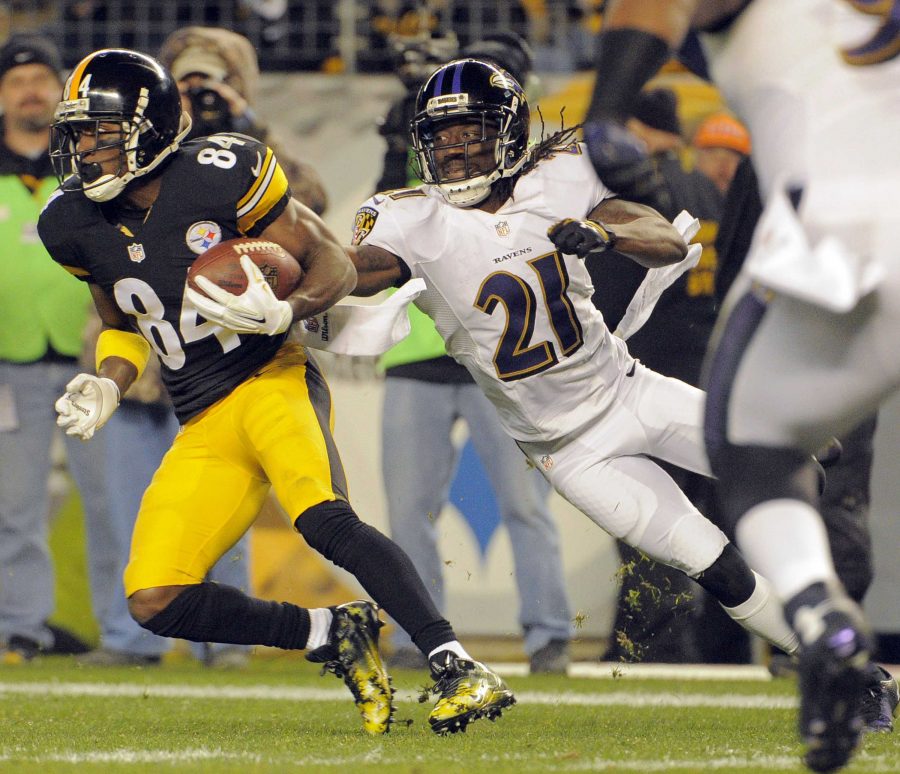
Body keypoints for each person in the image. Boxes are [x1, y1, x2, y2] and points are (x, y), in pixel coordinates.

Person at [40, 48, 514, 736]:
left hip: (269, 378)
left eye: (99, 132)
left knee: (325, 519)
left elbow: (329, 260)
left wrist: (288, 311)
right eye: (78, 133)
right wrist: (107, 381)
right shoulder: (73, 223)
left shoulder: (217, 174)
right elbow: (122, 323)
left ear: (149, 129)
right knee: (154, 597)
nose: (84, 150)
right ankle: (331, 633)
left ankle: (455, 662)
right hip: (200, 417)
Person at [348, 57, 812, 681]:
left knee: (796, 468)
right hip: (570, 451)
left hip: (631, 391)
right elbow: (355, 270)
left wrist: (604, 233)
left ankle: (837, 631)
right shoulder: (408, 217)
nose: (456, 154)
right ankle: (848, 673)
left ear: (508, 132)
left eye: (472, 135)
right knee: (718, 566)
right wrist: (293, 291)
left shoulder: (562, 172)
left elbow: (667, 239)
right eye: (442, 140)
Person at [583, 1, 900, 770]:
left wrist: (607, 112)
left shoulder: (766, 30)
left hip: (844, 244)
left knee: (753, 449)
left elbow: (654, 7)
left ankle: (821, 616)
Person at [375, 31, 573, 675]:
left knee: (526, 505)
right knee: (408, 510)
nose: (459, 142)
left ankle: (548, 636)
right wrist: (392, 147)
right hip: (417, 353)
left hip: (502, 360)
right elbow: (379, 234)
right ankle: (418, 636)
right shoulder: (433, 146)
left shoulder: (538, 165)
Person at [590, 86, 726, 664]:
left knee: (651, 524)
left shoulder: (640, 192)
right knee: (706, 523)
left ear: (638, 130)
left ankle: (662, 647)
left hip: (649, 380)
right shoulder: (710, 191)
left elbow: (607, 292)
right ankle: (710, 647)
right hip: (709, 380)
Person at [0, 33, 110, 663]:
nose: (31, 90)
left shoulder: (91, 165)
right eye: (18, 81)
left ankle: (126, 633)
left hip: (90, 364)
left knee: (109, 503)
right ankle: (23, 628)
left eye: (43, 78)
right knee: (15, 506)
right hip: (11, 363)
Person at [691, 112, 750, 197]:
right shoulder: (677, 198)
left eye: (733, 156)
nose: (723, 164)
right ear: (697, 157)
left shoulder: (759, 203)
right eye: (712, 154)